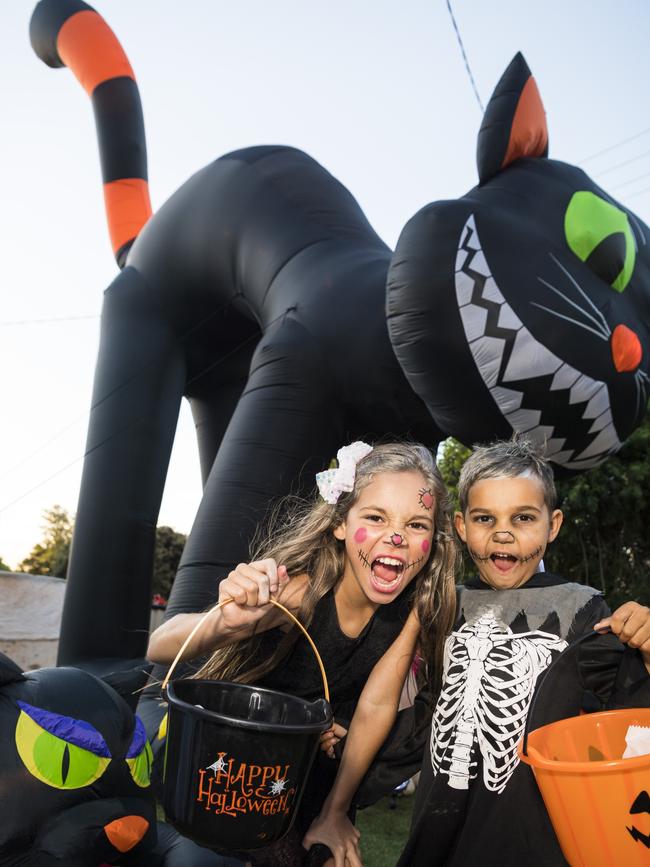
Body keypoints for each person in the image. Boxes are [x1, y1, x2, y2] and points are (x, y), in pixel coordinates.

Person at [305, 437, 650, 867]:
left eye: (523, 518)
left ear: (553, 524)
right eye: (485, 518)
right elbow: (428, 713)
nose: (503, 533)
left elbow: (627, 724)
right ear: (463, 526)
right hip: (438, 840)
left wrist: (645, 649)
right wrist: (352, 733)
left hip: (531, 843)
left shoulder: (582, 608)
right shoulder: (443, 605)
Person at [147, 441, 459, 867]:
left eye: (417, 524)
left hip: (316, 777)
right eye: (375, 516)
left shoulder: (412, 612)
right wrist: (226, 622)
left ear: (434, 541)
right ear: (340, 525)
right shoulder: (300, 592)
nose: (398, 536)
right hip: (237, 769)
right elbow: (160, 644)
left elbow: (377, 704)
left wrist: (335, 811)